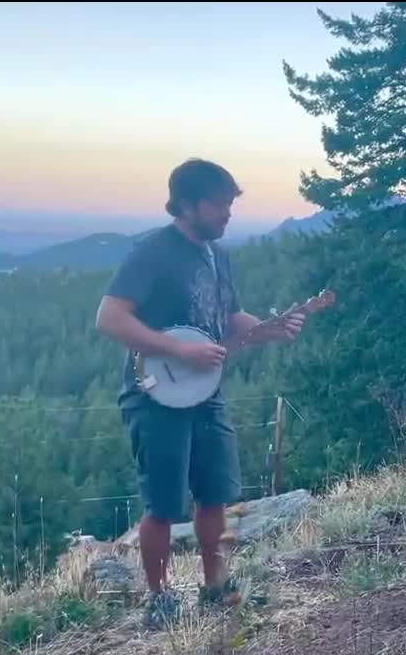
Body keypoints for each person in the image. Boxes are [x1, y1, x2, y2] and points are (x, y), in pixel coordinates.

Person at [95, 158, 305, 629]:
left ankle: (214, 588)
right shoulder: (153, 252)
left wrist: (274, 330)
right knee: (164, 506)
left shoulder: (218, 256)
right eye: (218, 204)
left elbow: (231, 323)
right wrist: (176, 350)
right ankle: (160, 599)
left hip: (206, 394)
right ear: (187, 204)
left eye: (230, 204)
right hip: (155, 396)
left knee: (214, 496)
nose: (227, 213)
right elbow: (109, 318)